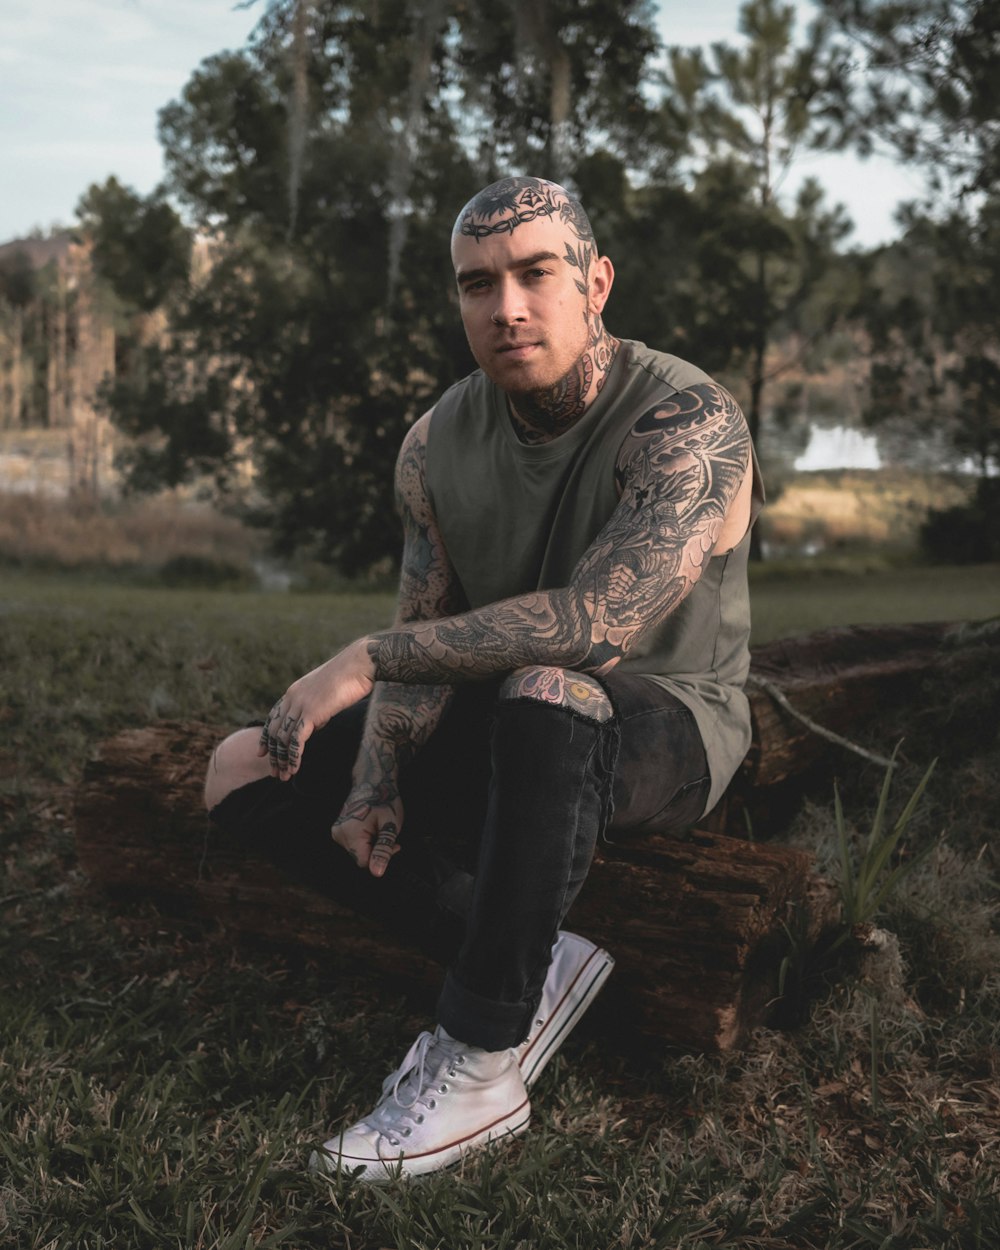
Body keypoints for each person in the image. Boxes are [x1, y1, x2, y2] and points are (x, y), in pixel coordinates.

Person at [204, 175, 763, 1182]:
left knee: (549, 685)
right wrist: (375, 777)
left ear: (594, 282)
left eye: (534, 273)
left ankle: (482, 1054)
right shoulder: (433, 445)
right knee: (241, 766)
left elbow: (593, 627)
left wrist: (364, 658)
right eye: (476, 284)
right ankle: (534, 952)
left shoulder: (688, 420)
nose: (505, 307)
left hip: (660, 723)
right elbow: (431, 632)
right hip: (501, 712)